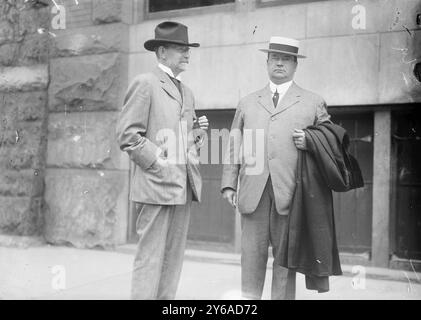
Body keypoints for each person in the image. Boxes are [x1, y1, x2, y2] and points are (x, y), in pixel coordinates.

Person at [221, 36, 331, 300]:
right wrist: (228, 182)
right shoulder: (247, 102)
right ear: (267, 62)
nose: (279, 63)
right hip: (253, 193)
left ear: (295, 65)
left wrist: (311, 141)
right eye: (275, 58)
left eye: (286, 59)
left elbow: (331, 142)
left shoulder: (313, 102)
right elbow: (234, 143)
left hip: (291, 193)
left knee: (285, 265)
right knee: (251, 260)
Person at [116, 21, 208, 300]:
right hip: (157, 187)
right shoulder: (145, 83)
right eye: (181, 49)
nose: (187, 54)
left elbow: (182, 140)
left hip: (182, 188)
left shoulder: (187, 91)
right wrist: (161, 164)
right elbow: (128, 135)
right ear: (162, 52)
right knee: (150, 259)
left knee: (172, 262)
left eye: (188, 49)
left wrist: (197, 135)